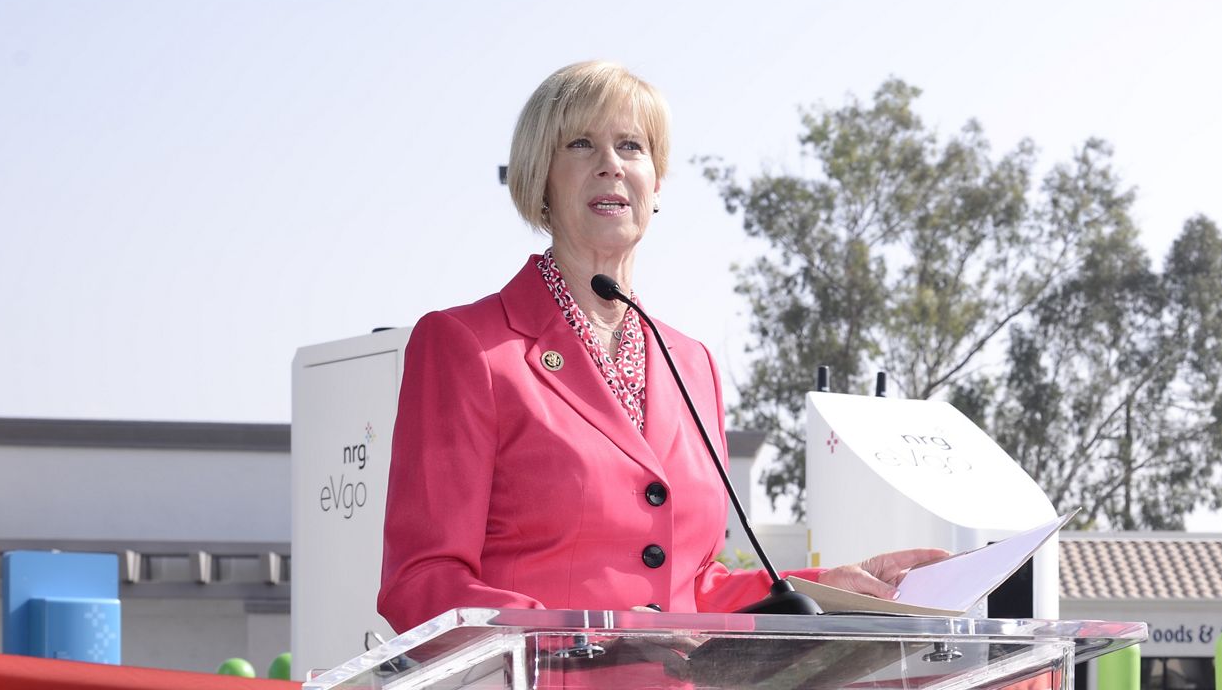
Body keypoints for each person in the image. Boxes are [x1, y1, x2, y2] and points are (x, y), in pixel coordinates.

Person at [377, 61, 946, 635]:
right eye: (581, 144)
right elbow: (422, 583)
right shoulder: (467, 346)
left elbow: (691, 588)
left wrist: (824, 589)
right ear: (539, 178)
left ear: (656, 183)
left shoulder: (691, 364)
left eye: (632, 146)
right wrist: (590, 636)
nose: (611, 165)